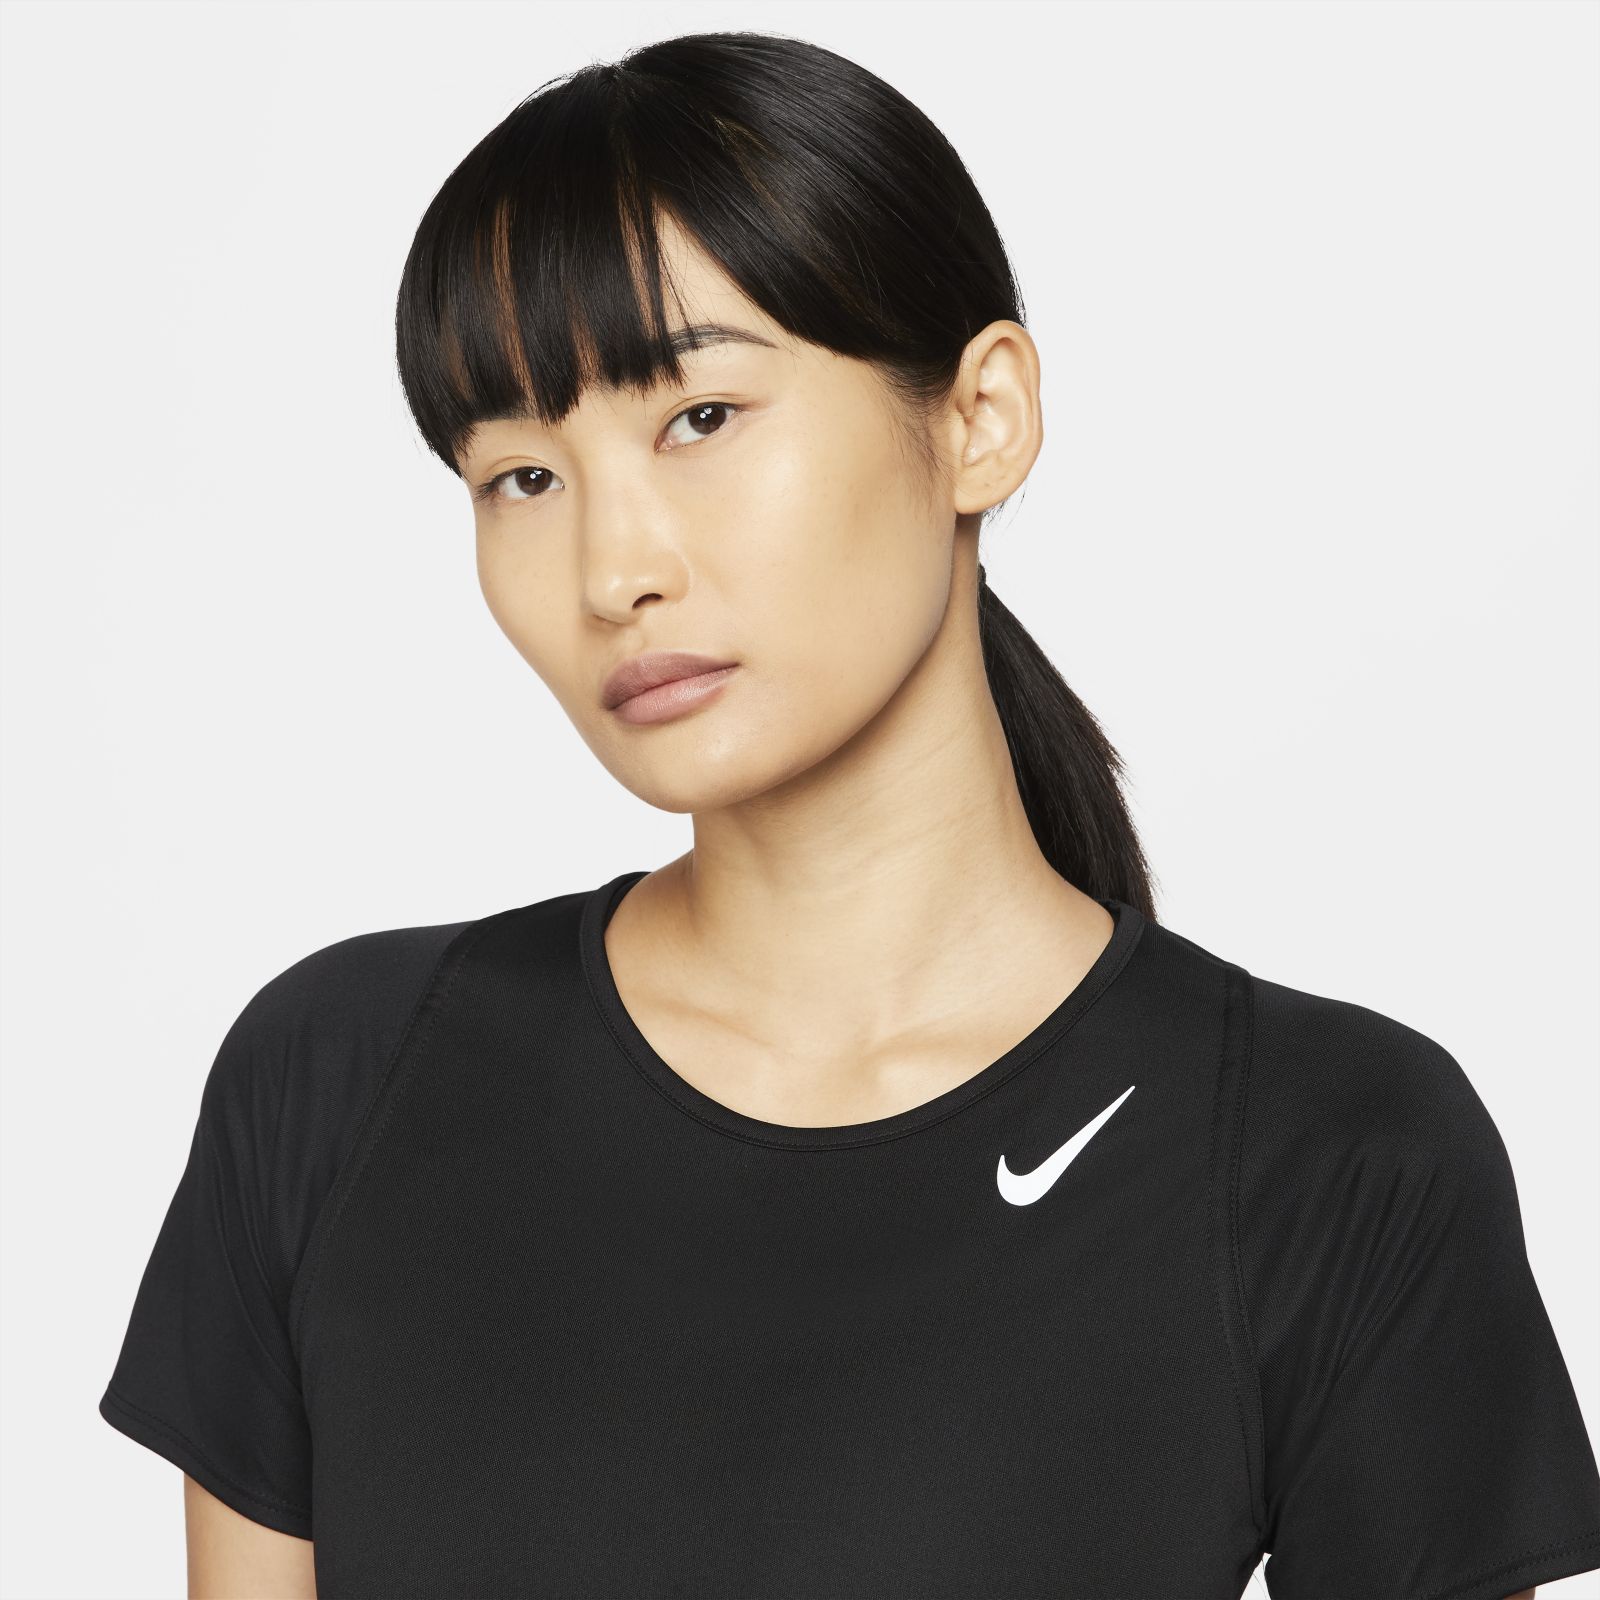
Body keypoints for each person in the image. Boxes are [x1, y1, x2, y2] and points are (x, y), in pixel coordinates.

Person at [99, 30, 1599, 1600]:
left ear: (979, 417)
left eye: (700, 418)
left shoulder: (1324, 1155)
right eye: (522, 478)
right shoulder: (343, 1083)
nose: (613, 571)